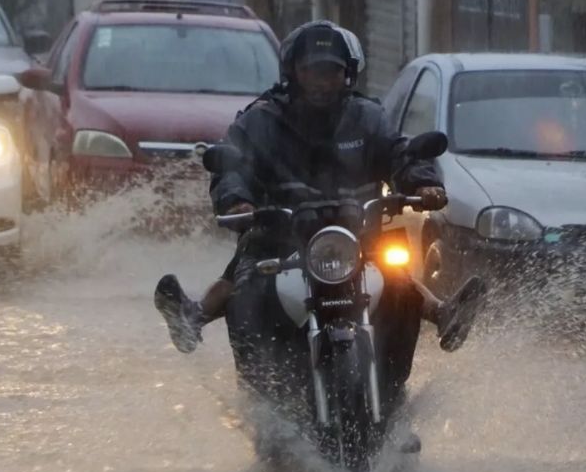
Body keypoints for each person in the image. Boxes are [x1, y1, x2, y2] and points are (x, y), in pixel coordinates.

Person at [154, 21, 485, 360]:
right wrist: (236, 200)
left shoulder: (367, 117)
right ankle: (194, 316)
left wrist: (423, 183)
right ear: (294, 72)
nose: (322, 81)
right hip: (278, 238)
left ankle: (442, 313)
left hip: (357, 235)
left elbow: (400, 152)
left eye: (331, 71)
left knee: (396, 272)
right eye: (312, 71)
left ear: (347, 75)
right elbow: (233, 165)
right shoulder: (262, 120)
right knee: (247, 275)